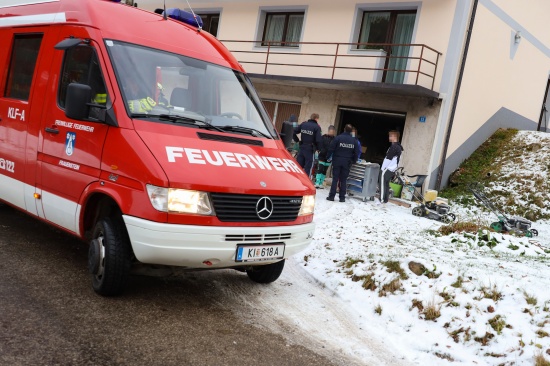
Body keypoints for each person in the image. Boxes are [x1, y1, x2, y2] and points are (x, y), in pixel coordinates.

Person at [326, 124, 361, 202]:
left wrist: (327, 157)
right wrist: (353, 161)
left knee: (335, 179)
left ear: (344, 129)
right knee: (343, 180)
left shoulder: (338, 138)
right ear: (351, 131)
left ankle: (331, 196)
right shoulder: (354, 140)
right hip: (347, 162)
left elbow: (331, 148)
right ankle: (342, 198)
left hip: (337, 161)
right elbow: (356, 152)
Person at [380, 130, 404, 204]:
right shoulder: (399, 147)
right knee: (386, 183)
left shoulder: (394, 147)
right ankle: (385, 199)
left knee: (382, 183)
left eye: (390, 136)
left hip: (388, 167)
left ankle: (382, 199)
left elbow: (388, 158)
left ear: (394, 137)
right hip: (393, 168)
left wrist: (383, 168)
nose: (389, 137)